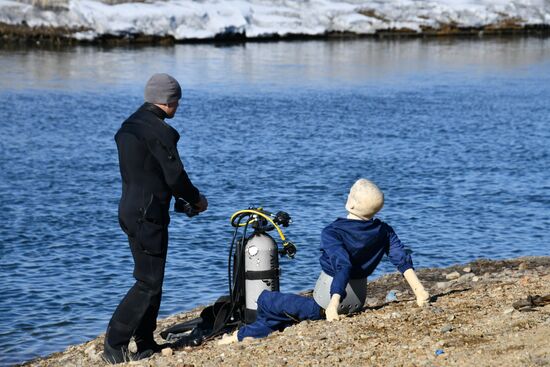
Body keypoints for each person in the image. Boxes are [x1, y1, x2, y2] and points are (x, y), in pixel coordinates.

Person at [219, 178, 430, 344]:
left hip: (325, 303)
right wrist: (419, 291)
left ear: (351, 203)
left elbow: (343, 265)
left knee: (266, 300)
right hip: (357, 303)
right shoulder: (383, 231)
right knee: (285, 311)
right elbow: (401, 260)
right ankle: (255, 331)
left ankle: (240, 336)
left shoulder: (333, 231)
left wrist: (332, 306)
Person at [103, 73, 208, 363]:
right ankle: (114, 343)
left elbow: (150, 171)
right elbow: (175, 176)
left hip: (130, 209)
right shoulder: (158, 131)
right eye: (177, 101)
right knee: (147, 281)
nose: (178, 106)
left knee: (153, 276)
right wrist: (197, 200)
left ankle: (145, 339)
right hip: (148, 213)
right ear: (169, 101)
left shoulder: (130, 125)